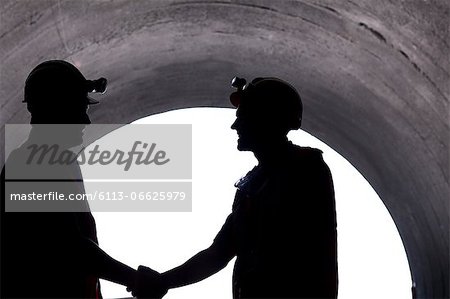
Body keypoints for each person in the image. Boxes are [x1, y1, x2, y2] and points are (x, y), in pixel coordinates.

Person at [131, 77, 338, 298]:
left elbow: (309, 258)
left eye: (244, 117)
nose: (235, 125)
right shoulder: (253, 184)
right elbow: (219, 253)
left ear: (266, 119)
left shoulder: (306, 169)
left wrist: (162, 282)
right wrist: (163, 281)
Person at [1, 60, 137, 298]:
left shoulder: (60, 164)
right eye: (77, 110)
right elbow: (72, 248)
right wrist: (135, 279)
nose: (86, 122)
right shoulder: (30, 165)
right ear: (53, 108)